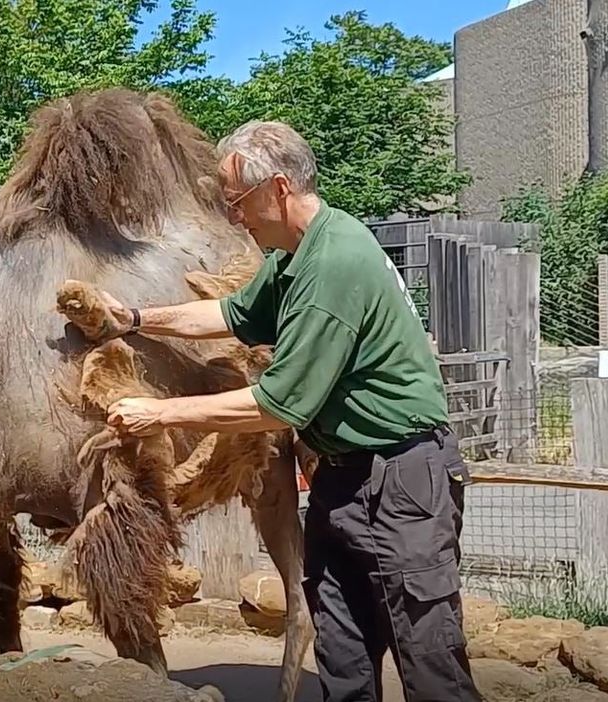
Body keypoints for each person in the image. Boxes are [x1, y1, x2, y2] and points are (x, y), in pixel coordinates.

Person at [80, 121, 480, 702]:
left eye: (236, 202)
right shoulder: (291, 257)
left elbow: (279, 403)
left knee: (428, 660)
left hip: (402, 481)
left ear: (279, 189)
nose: (233, 217)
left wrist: (161, 414)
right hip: (343, 480)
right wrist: (134, 320)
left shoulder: (333, 265)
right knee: (342, 652)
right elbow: (231, 316)